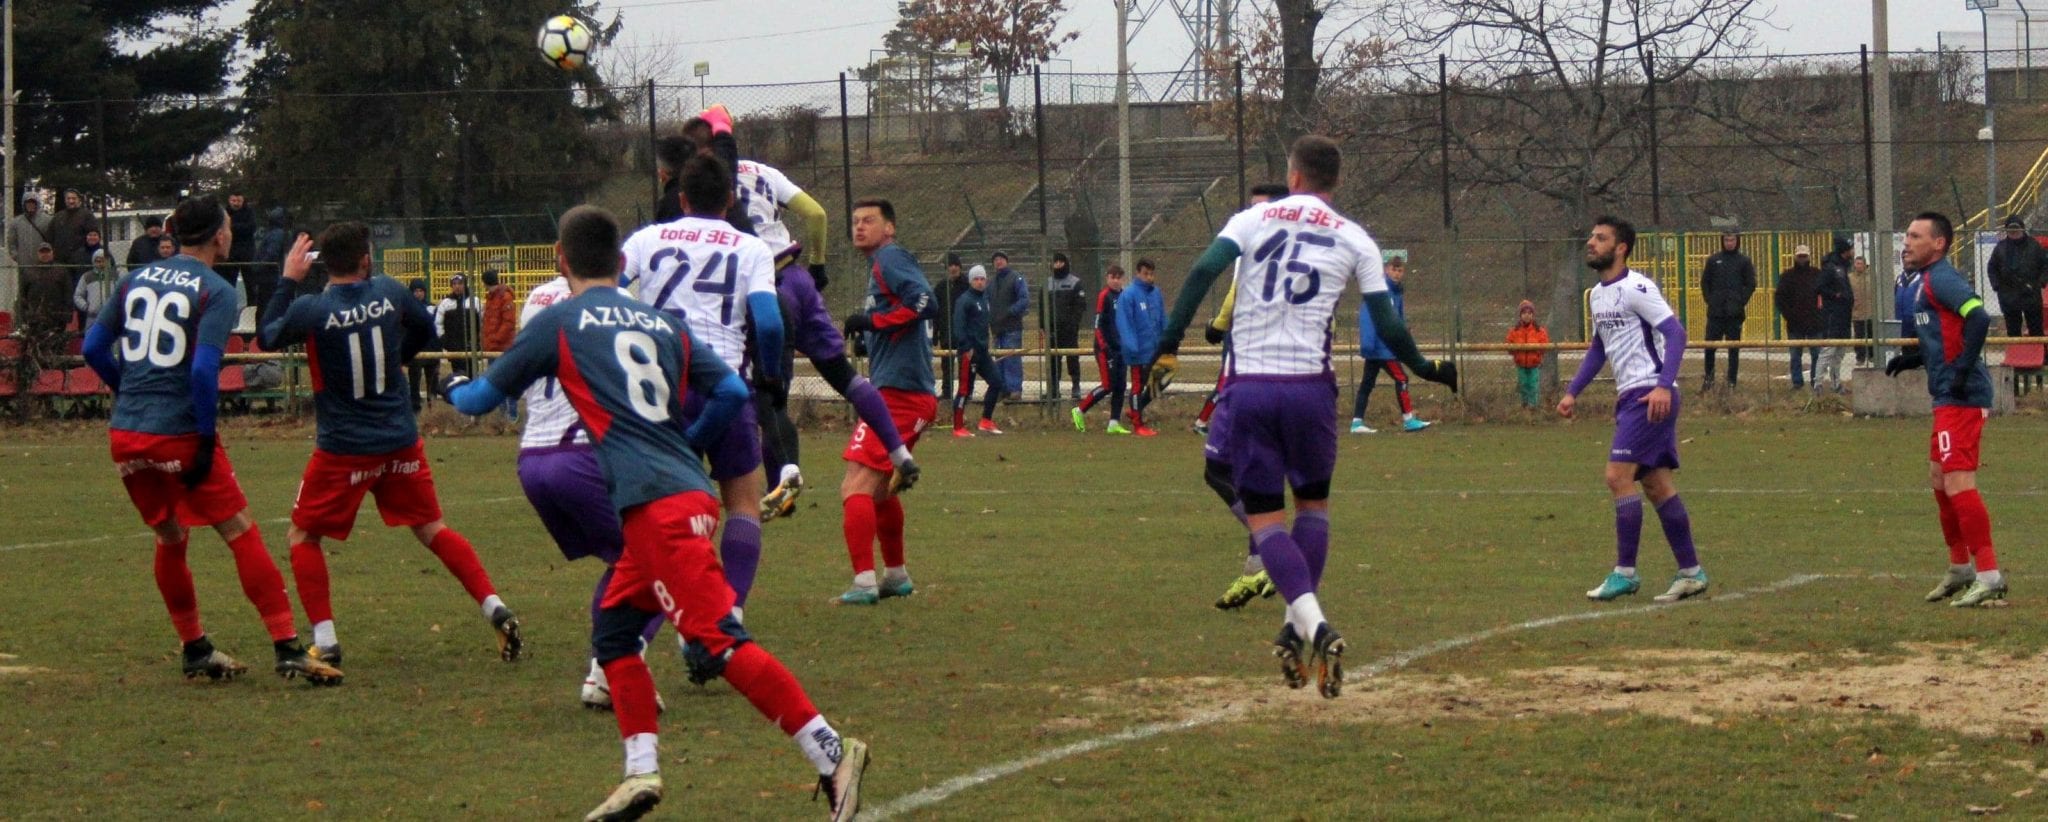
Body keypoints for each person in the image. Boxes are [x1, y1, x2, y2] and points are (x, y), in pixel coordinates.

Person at [445, 205, 869, 821]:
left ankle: (834, 752)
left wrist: (456, 384)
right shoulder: (662, 322)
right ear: (622, 265)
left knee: (718, 641)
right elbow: (729, 391)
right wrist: (687, 436)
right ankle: (640, 772)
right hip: (682, 490)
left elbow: (481, 400)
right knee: (615, 633)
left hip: (656, 507)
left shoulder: (560, 319)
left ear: (561, 262)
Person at [1151, 134, 1458, 698]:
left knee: (1266, 519)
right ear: (1333, 182)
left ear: (1292, 176)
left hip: (1251, 389)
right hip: (1311, 391)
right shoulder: (1353, 237)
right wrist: (1424, 365)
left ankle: (1312, 625)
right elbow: (1387, 323)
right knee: (1312, 507)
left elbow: (1200, 273)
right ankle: (1296, 632)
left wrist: (1168, 347)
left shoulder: (1254, 218)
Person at [77, 195, 341, 685]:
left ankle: (195, 646)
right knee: (240, 529)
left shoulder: (135, 277)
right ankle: (287, 646)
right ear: (221, 235)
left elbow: (92, 346)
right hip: (177, 431)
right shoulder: (215, 289)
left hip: (128, 433)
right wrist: (202, 437)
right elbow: (201, 370)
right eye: (227, 226)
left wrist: (127, 390)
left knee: (170, 535)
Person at [258, 223, 522, 667]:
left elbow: (266, 336)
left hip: (344, 447)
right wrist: (396, 358)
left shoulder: (311, 308)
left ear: (325, 264)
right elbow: (425, 332)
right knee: (433, 529)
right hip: (400, 439)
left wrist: (287, 279)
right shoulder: (390, 292)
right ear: (366, 259)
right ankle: (494, 606)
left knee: (303, 535)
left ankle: (325, 640)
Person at [623, 153, 784, 615]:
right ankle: (729, 613)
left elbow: (608, 286)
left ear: (681, 198)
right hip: (724, 385)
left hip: (660, 387)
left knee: (656, 516)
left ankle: (627, 643)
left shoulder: (647, 239)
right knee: (744, 503)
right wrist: (769, 377)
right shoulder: (751, 248)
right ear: (731, 199)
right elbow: (769, 325)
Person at [1559, 215, 1709, 605]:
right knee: (1656, 485)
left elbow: (1676, 333)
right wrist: (1573, 391)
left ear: (1621, 247)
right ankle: (1691, 573)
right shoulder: (1598, 294)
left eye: (1600, 237)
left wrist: (1662, 386)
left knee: (1616, 476)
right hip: (1632, 396)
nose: (1591, 242)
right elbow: (1599, 349)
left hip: (1649, 394)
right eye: (1591, 236)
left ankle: (1625, 572)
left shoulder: (1637, 287)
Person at [1885, 212, 2006, 608]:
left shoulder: (1943, 278)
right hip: (1947, 397)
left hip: (1962, 398)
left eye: (1916, 236)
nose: (1907, 242)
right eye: (1907, 236)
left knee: (1958, 483)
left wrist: (1961, 371)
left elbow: (1978, 317)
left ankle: (1989, 575)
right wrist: (1916, 358)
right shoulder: (1923, 282)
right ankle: (1960, 568)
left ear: (1939, 243)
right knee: (1940, 479)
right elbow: (1947, 334)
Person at [836, 198, 939, 605]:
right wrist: (874, 333)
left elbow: (925, 302)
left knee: (855, 487)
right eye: (855, 221)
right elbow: (905, 310)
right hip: (903, 393)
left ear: (889, 228)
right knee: (880, 492)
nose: (860, 227)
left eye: (869, 221)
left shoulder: (890, 257)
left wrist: (875, 322)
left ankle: (863, 582)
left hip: (900, 396)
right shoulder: (879, 266)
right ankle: (895, 575)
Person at [1204, 183, 1289, 610]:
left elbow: (1237, 296)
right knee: (1252, 478)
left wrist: (1217, 324)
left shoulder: (1260, 247)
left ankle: (1272, 548)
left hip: (1250, 380)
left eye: (1261, 206)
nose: (1253, 213)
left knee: (1217, 471)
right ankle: (1253, 570)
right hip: (1279, 378)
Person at [1196, 183, 1290, 438]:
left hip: (1279, 330)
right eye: (1252, 207)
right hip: (1246, 329)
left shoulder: (1293, 244)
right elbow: (1235, 289)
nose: (1254, 213)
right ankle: (1210, 423)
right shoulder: (1248, 243)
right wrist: (1221, 323)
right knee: (1234, 380)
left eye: (1260, 207)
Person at [1350, 254, 1431, 433]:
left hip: (1384, 346)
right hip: (1383, 347)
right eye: (1394, 269)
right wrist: (1369, 344)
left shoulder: (1396, 291)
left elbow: (1397, 319)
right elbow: (1368, 316)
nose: (1397, 273)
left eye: (1400, 270)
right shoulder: (1382, 291)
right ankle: (1408, 420)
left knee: (1367, 383)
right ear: (1387, 270)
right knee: (1402, 378)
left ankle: (1357, 422)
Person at [1071, 265, 1132, 434]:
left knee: (1120, 385)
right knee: (1108, 385)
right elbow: (1098, 325)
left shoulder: (1125, 296)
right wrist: (1104, 346)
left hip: (1121, 349)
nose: (1116, 280)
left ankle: (1114, 422)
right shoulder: (1104, 296)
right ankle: (1080, 410)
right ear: (1107, 278)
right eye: (1113, 277)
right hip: (1105, 349)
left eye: (1119, 277)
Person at [1115, 258, 1166, 437]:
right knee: (1137, 386)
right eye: (1146, 274)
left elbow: (1161, 319)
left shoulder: (1156, 293)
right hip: (1138, 351)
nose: (1149, 278)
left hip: (1155, 350)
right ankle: (1138, 424)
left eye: (1151, 274)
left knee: (1162, 380)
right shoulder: (1128, 295)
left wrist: (1167, 340)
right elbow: (1124, 323)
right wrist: (1131, 347)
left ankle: (1135, 410)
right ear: (1138, 273)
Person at [1699, 231, 1756, 389]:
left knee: (1733, 350)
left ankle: (1732, 382)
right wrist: (1710, 300)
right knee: (1710, 347)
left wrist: (1740, 301)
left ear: (1737, 241)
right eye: (1726, 239)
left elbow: (1751, 284)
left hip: (1734, 314)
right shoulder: (1714, 260)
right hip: (1715, 314)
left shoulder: (1743, 261)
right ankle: (1708, 381)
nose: (1729, 242)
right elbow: (1705, 283)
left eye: (1732, 240)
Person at [951, 265, 1003, 436]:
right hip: (969, 353)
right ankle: (958, 427)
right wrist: (966, 347)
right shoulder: (964, 300)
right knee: (966, 389)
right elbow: (958, 327)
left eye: (982, 279)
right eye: (976, 279)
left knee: (996, 382)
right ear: (971, 281)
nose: (980, 282)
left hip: (983, 352)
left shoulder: (984, 299)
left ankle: (986, 420)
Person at [1989, 215, 2046, 339]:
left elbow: (2045, 265)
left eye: (2016, 229)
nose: (2014, 232)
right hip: (2008, 294)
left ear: (2023, 229)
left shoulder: (2034, 246)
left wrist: (2041, 282)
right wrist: (1997, 285)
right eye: (2010, 229)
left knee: (2036, 330)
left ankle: (2043, 356)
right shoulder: (2000, 248)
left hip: (2030, 292)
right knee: (2013, 331)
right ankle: (2016, 356)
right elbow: (1992, 268)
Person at [1776, 245, 1823, 389]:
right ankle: (1797, 383)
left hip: (1815, 323)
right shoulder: (1787, 276)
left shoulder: (1817, 274)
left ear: (1809, 256)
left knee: (1817, 355)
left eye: (1804, 256)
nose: (1802, 258)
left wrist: (1821, 314)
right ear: (1795, 256)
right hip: (1794, 324)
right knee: (1795, 356)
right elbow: (1780, 299)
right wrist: (1788, 315)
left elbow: (1825, 295)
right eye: (1800, 256)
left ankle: (1816, 382)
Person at [1815, 236, 1856, 393]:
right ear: (1844, 250)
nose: (1852, 251)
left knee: (1839, 354)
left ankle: (1836, 383)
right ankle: (1818, 383)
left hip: (1844, 316)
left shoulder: (1844, 266)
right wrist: (1835, 295)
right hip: (1833, 317)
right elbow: (1819, 287)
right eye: (1850, 248)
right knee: (1828, 351)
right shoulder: (1831, 267)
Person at [988, 251, 1030, 398]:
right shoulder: (992, 283)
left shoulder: (1016, 278)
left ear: (1006, 261)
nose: (998, 262)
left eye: (1001, 259)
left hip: (1012, 327)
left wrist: (1010, 311)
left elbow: (1024, 299)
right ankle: (1002, 388)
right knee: (999, 360)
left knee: (1012, 359)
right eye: (996, 260)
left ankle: (1014, 389)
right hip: (996, 328)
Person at [481, 268, 518, 422]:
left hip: (503, 348)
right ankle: (503, 415)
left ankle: (512, 414)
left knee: (507, 382)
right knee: (497, 383)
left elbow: (508, 323)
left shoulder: (504, 297)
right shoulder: (491, 298)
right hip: (492, 348)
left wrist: (494, 339)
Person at [1048, 252, 1087, 398]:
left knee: (1072, 358)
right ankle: (1054, 388)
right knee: (1053, 360)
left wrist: (1074, 323)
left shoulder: (1075, 282)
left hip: (1070, 330)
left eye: (1061, 262)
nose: (1058, 265)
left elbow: (1080, 305)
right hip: (1053, 330)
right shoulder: (1047, 283)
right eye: (1055, 262)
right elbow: (1042, 305)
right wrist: (1043, 326)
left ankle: (1075, 385)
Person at [405, 278, 441, 412]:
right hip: (415, 353)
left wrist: (437, 349)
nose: (418, 294)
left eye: (421, 291)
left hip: (432, 351)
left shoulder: (432, 308)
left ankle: (432, 411)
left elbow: (437, 329)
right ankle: (416, 411)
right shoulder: (406, 310)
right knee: (414, 384)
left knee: (432, 384)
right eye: (415, 291)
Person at [1507, 299, 1550, 408]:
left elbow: (1544, 345)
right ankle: (1524, 404)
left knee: (1533, 385)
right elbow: (1509, 345)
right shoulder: (1514, 331)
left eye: (1529, 313)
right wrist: (1516, 352)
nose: (1527, 316)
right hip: (1521, 364)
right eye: (1524, 313)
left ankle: (1533, 405)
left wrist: (1537, 352)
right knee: (1523, 384)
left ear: (1533, 315)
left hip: (1534, 364)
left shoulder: (1539, 330)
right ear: (1520, 315)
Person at [435, 273, 480, 376]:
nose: (457, 286)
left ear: (465, 285)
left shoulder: (474, 301)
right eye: (454, 284)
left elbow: (481, 323)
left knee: (472, 376)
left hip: (471, 347)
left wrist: (478, 341)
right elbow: (438, 324)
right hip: (453, 348)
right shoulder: (446, 303)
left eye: (460, 283)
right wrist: (444, 340)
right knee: (458, 376)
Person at [48, 189, 98, 271]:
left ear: (79, 200)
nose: (71, 201)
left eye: (74, 198)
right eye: (68, 198)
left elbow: (93, 237)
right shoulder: (58, 217)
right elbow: (49, 237)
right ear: (65, 200)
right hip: (61, 262)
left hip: (81, 262)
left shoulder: (87, 216)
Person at [7, 192, 52, 274]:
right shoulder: (16, 222)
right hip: (24, 264)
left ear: (37, 204)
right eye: (28, 203)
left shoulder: (48, 220)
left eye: (33, 203)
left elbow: (53, 240)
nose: (30, 205)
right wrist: (17, 257)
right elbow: (11, 242)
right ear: (24, 204)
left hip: (43, 263)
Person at [72, 249, 115, 323]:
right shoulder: (87, 276)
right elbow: (78, 295)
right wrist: (86, 307)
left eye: (103, 261)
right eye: (98, 261)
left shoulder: (116, 275)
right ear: (94, 262)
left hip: (112, 316)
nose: (101, 264)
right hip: (92, 317)